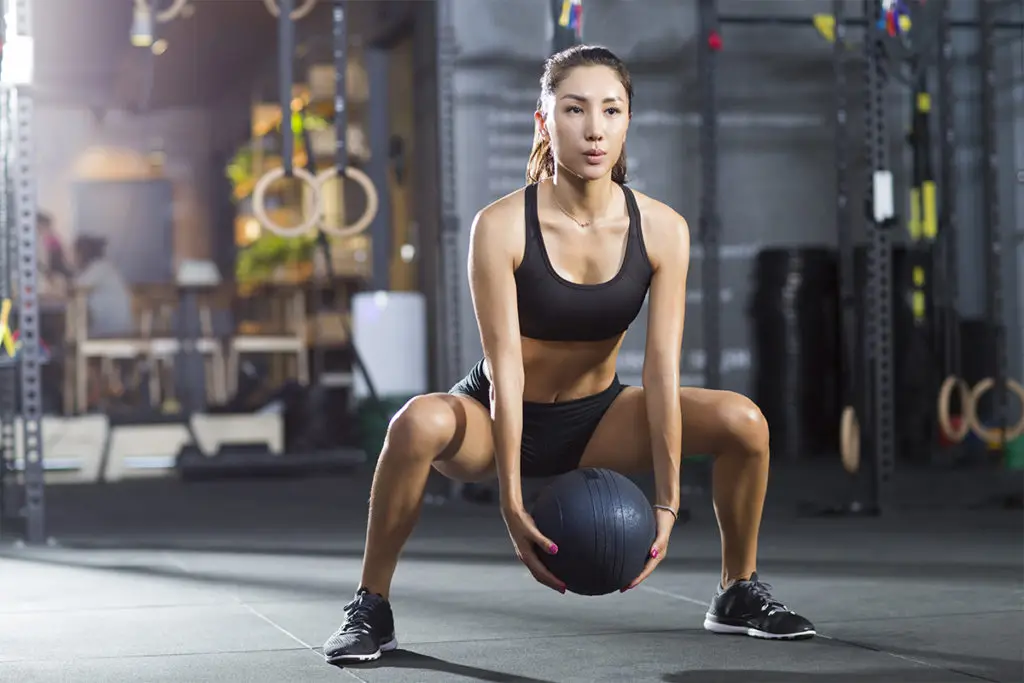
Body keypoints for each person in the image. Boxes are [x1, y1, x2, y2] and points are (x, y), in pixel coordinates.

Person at [323, 45, 814, 664]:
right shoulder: (500, 225)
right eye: (575, 109)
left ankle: (738, 592)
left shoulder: (662, 229)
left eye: (611, 110)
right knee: (415, 422)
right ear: (544, 120)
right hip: (498, 415)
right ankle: (372, 604)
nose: (594, 128)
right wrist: (511, 500)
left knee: (744, 421)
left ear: (627, 120)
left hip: (596, 420)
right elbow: (504, 365)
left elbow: (661, 370)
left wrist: (667, 501)